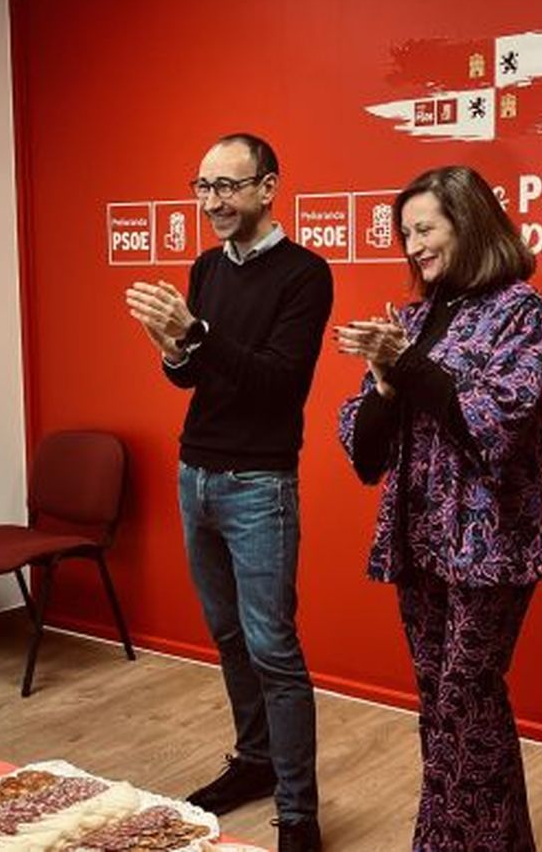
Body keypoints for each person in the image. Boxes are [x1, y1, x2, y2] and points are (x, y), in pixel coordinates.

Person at [335, 166, 542, 852]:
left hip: (491, 545)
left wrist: (405, 366)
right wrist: (382, 381)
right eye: (406, 233)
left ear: (468, 223)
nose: (413, 246)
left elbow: (492, 423)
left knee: (467, 699)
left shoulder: (522, 311)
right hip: (417, 542)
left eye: (426, 228)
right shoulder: (406, 320)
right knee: (442, 705)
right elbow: (364, 451)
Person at [124, 134, 332, 852]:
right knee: (228, 635)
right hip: (198, 474)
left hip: (259, 483)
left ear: (268, 187)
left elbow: (277, 380)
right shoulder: (207, 266)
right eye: (203, 186)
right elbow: (194, 376)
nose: (212, 202)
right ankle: (255, 761)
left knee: (274, 647)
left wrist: (197, 334)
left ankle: (299, 812)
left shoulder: (307, 274)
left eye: (228, 187)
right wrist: (173, 347)